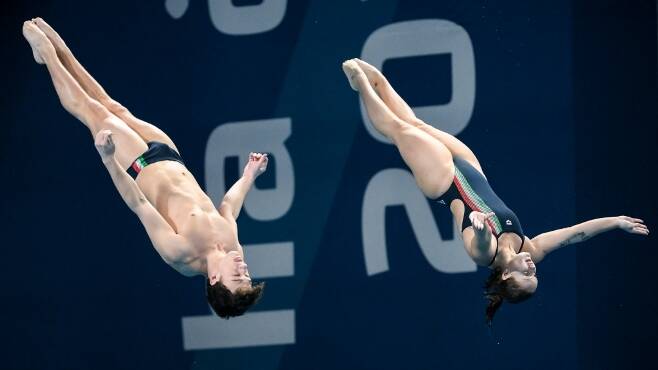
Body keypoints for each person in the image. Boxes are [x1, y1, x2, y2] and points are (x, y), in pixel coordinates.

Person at [342, 58, 649, 325]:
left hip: (443, 182)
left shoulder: (484, 255)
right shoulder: (529, 248)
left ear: (505, 276)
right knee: (416, 123)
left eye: (526, 276)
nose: (532, 269)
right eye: (535, 276)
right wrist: (614, 222)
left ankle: (362, 87)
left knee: (400, 131)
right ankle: (379, 81)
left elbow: (481, 240)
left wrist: (479, 231)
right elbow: (573, 233)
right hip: (472, 168)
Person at [22, 18, 265, 318]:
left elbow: (138, 203)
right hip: (170, 155)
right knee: (112, 105)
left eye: (238, 277)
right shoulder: (232, 248)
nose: (244, 268)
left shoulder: (181, 254)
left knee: (91, 109)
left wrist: (108, 158)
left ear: (215, 280)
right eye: (248, 275)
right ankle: (60, 49)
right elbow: (228, 206)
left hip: (136, 164)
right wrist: (248, 176)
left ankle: (46, 52)